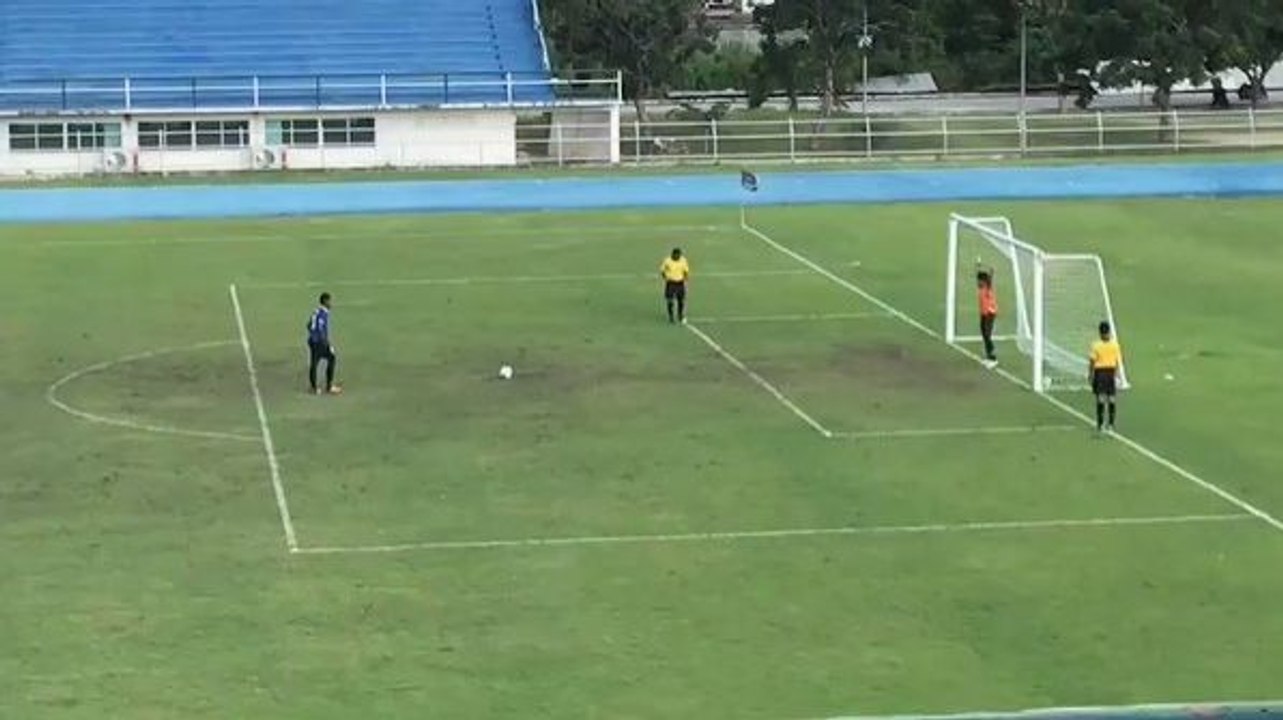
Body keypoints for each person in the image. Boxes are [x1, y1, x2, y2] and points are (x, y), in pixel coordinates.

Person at [1088, 320, 1123, 433]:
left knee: (1101, 398)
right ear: (1109, 332)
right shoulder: (1115, 345)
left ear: (1100, 333)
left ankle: (1100, 424)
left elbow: (1092, 361)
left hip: (1100, 372)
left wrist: (1090, 374)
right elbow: (1117, 361)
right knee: (1111, 398)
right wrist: (1117, 374)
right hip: (1110, 372)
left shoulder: (1096, 345)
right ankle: (1111, 424)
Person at [307, 292, 341, 395]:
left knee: (314, 363)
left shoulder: (316, 312)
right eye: (330, 301)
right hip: (319, 342)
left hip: (312, 341)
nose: (331, 303)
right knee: (332, 358)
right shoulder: (323, 314)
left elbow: (308, 325)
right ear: (325, 301)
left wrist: (313, 336)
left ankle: (314, 388)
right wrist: (327, 344)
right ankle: (329, 387)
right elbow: (321, 331)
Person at [976, 264, 999, 367]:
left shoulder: (987, 288)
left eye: (980, 280)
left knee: (987, 334)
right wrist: (978, 267)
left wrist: (991, 272)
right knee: (984, 335)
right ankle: (988, 356)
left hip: (990, 314)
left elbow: (989, 279)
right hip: (984, 314)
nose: (978, 282)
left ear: (984, 281)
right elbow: (980, 276)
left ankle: (993, 358)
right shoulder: (981, 288)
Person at [660, 247, 690, 324]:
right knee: (670, 300)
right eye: (676, 255)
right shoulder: (667, 261)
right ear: (672, 254)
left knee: (681, 300)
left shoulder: (683, 260)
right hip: (671, 283)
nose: (677, 256)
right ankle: (671, 316)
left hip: (680, 283)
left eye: (679, 255)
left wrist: (686, 278)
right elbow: (662, 270)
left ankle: (680, 315)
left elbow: (686, 271)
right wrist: (665, 277)